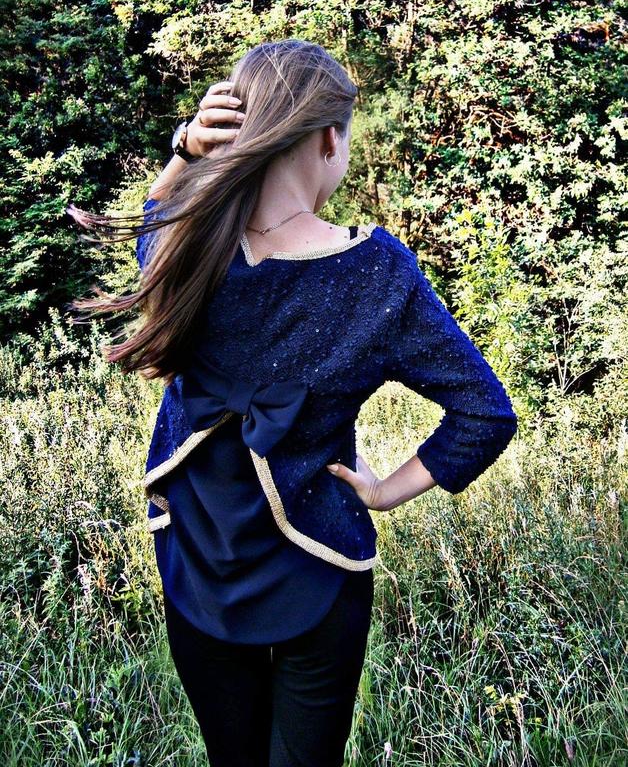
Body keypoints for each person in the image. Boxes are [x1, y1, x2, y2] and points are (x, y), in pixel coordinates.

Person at [68, 39, 517, 767]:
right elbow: (484, 413)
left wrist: (184, 152)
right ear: (330, 138)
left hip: (197, 561)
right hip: (321, 563)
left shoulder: (187, 242)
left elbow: (156, 211)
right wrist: (383, 491)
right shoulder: (376, 271)